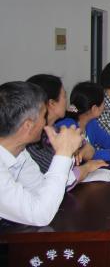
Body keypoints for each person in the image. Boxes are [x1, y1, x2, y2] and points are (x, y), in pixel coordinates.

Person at [0, 81, 82, 226]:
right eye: (44, 115)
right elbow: (39, 215)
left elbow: (41, 189)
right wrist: (63, 153)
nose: (46, 122)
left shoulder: (19, 153)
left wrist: (66, 154)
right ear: (28, 126)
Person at [25, 75, 104, 188]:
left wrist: (80, 150)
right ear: (51, 103)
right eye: (64, 96)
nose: (67, 102)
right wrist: (86, 167)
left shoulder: (57, 128)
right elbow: (61, 175)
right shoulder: (33, 141)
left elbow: (90, 150)